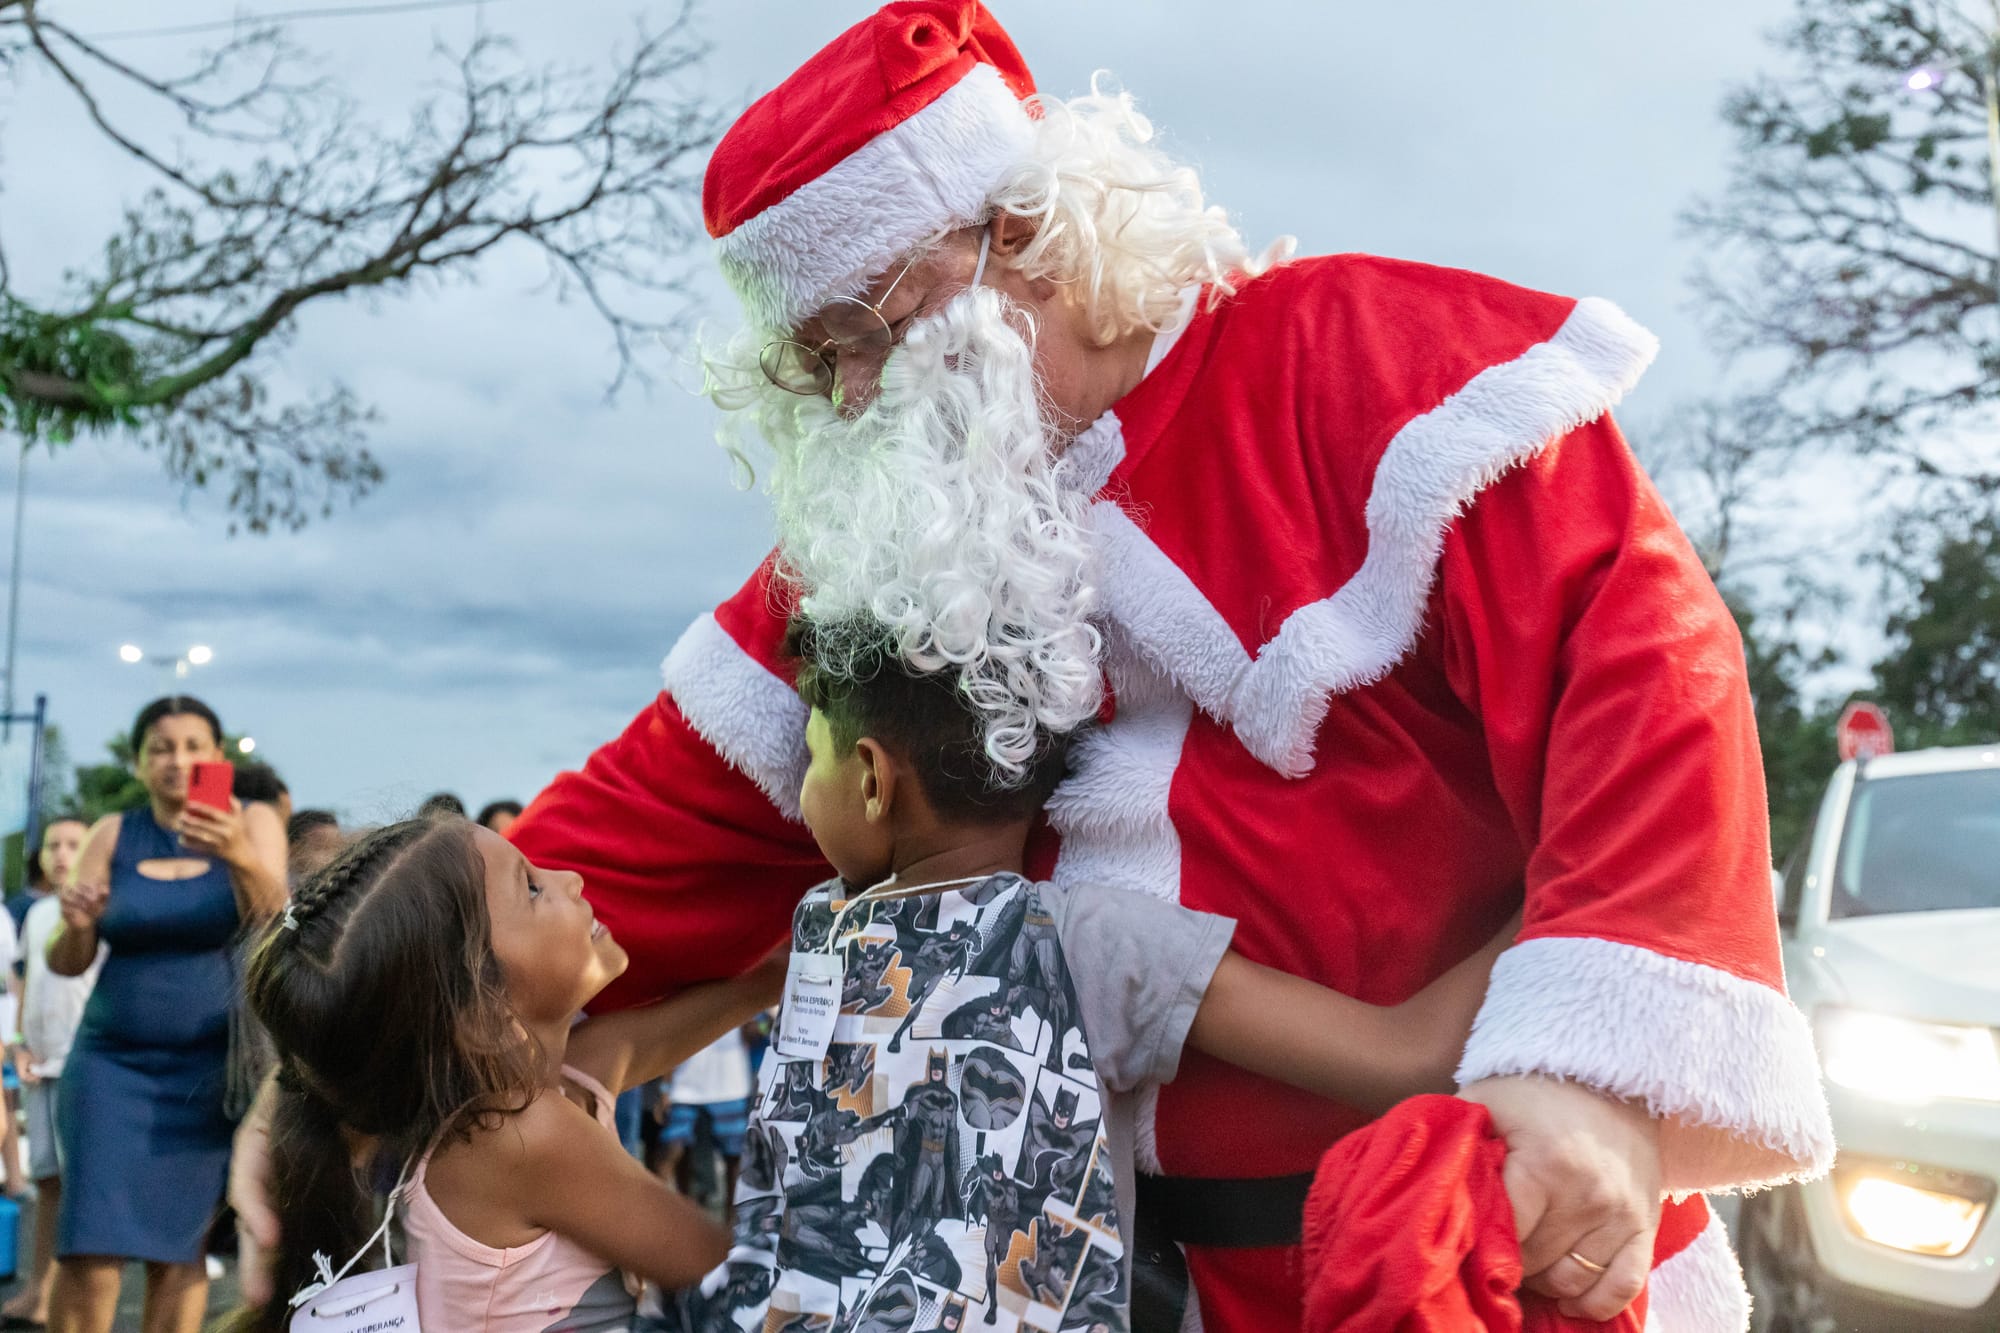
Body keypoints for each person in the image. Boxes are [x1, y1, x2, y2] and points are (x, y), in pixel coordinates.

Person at [240, 6, 1835, 1328]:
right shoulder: (887, 546)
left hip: (1465, 1259)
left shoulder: (1362, 363)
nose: (852, 403)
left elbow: (1643, 675)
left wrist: (1588, 1084)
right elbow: (630, 838)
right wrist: (337, 1064)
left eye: (865, 336)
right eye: (817, 371)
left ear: (1021, 240)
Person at [681, 616, 1512, 1333]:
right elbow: (1406, 1055)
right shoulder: (1080, 941)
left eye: (808, 755)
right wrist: (1565, 885)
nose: (796, 784)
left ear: (870, 778)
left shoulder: (828, 940)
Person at [226, 816, 772, 1332]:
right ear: (481, 1013)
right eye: (532, 888)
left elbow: (731, 996)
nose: (574, 880)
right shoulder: (518, 1135)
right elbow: (723, 1266)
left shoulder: (541, 1093)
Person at [49, 696, 286, 1333]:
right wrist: (75, 925)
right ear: (137, 761)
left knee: (180, 1251)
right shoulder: (113, 834)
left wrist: (236, 851)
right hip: (109, 1066)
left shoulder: (254, 821)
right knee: (91, 1248)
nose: (177, 760)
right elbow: (68, 961)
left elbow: (278, 922)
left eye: (192, 746)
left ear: (217, 757)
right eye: (160, 747)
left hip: (208, 1075)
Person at [4, 818, 105, 1328]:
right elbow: (23, 988)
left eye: (74, 844)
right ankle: (38, 1290)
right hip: (40, 1067)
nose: (63, 854)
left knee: (79, 1185)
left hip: (85, 1065)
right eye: (54, 845)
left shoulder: (102, 911)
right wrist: (19, 1045)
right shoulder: (38, 914)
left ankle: (71, 1296)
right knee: (46, 1183)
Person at [654, 1030, 754, 1208]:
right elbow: (672, 1036)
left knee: (734, 1158)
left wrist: (766, 1021)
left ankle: (730, 1228)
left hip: (730, 1086)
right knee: (670, 1151)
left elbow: (755, 1031)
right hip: (685, 1086)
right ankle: (659, 1214)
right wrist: (665, 1087)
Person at [282, 809, 343, 885]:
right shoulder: (281, 888)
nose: (332, 857)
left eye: (336, 847)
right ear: (293, 850)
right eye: (322, 847)